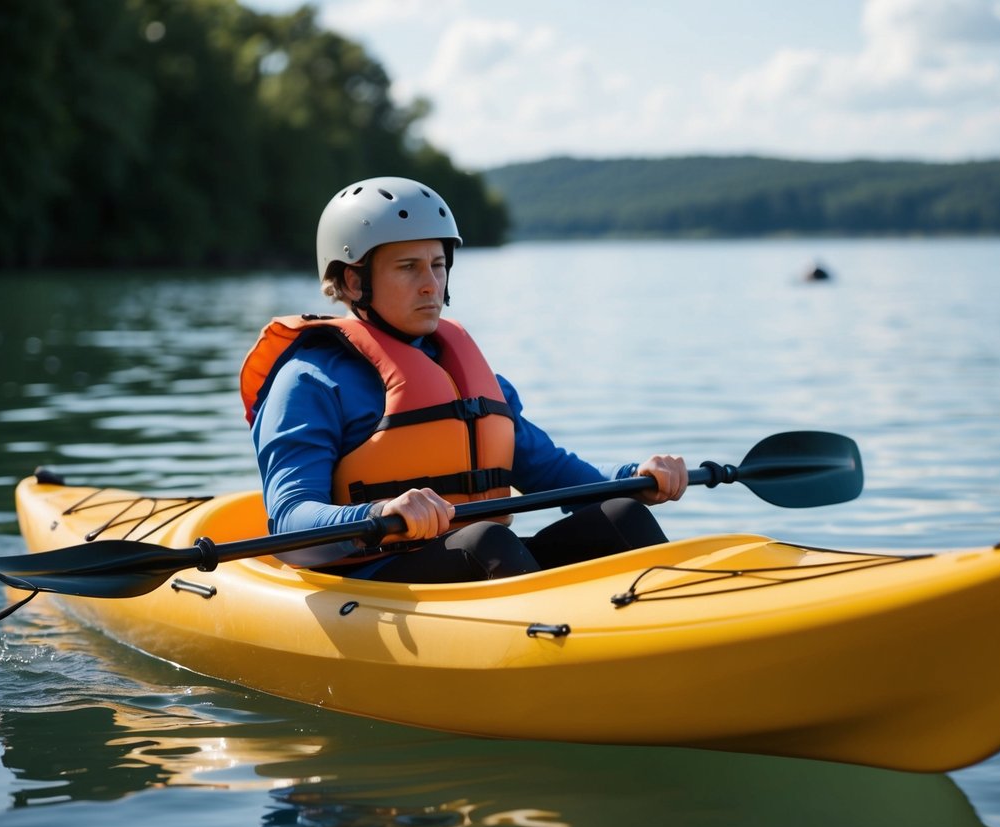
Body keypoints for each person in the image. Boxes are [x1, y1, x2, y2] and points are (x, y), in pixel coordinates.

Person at [242, 176, 688, 582]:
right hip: (375, 579)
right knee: (486, 542)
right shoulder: (309, 383)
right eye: (408, 267)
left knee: (620, 515)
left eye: (437, 265)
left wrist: (637, 476)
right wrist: (382, 512)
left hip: (481, 568)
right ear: (354, 281)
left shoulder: (472, 379)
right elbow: (290, 518)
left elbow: (559, 475)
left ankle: (678, 622)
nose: (431, 285)